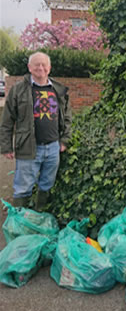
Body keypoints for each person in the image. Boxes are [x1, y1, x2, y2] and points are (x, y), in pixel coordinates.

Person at [0, 52, 72, 211]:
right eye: (37, 64)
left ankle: (39, 216)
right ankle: (20, 222)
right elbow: (6, 121)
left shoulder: (58, 90)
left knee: (46, 184)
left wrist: (64, 140)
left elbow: (67, 117)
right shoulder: (18, 90)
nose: (41, 68)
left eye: (44, 65)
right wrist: (6, 147)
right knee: (23, 187)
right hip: (28, 147)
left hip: (53, 147)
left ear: (49, 68)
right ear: (29, 68)